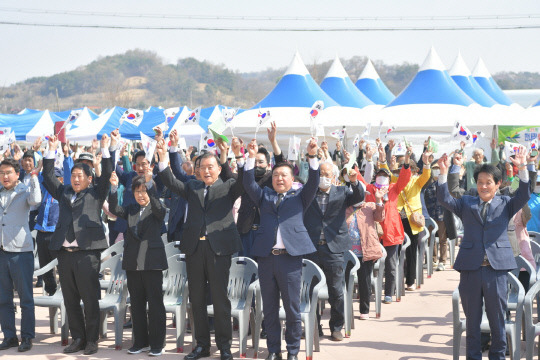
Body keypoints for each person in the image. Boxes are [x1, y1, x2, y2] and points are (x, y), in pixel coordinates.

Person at [436, 147, 530, 360]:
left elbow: (524, 193)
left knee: (498, 322)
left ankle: (497, 357)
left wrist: (522, 167)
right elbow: (445, 200)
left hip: (496, 271)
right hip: (470, 269)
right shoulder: (467, 203)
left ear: (497, 185)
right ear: (475, 184)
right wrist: (444, 172)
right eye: (480, 182)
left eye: (489, 182)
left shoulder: (506, 203)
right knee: (472, 323)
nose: (483, 186)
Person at [156, 138, 244, 360]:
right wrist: (164, 155)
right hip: (195, 249)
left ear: (218, 169)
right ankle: (201, 346)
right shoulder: (192, 187)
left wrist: (240, 157)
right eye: (202, 167)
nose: (206, 171)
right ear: (197, 170)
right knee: (196, 299)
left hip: (218, 250)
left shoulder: (228, 187)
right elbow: (170, 180)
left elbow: (244, 181)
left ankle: (224, 347)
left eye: (210, 167)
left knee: (220, 298)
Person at [242, 138, 320, 360]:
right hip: (267, 259)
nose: (279, 179)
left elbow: (314, 182)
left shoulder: (300, 198)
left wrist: (312, 156)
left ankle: (292, 351)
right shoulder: (264, 197)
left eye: (284, 175)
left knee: (292, 310)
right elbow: (248, 184)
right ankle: (274, 350)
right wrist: (249, 156)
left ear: (292, 179)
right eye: (275, 175)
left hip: (290, 261)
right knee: (269, 310)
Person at [41, 133, 113, 355]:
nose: (75, 179)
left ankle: (92, 340)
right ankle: (78, 338)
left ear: (89, 179)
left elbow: (108, 174)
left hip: (86, 253)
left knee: (90, 298)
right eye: (73, 175)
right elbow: (48, 176)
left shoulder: (95, 193)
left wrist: (106, 149)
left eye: (80, 175)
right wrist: (51, 151)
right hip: (65, 253)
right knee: (70, 298)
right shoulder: (63, 192)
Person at [109, 170, 167, 356]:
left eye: (144, 191)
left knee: (155, 304)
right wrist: (113, 187)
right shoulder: (131, 209)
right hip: (133, 263)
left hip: (152, 263)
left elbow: (159, 208)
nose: (141, 195)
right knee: (137, 304)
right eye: (137, 191)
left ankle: (157, 344)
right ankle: (140, 342)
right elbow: (114, 208)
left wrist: (150, 185)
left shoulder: (158, 209)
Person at [303, 162, 364, 341]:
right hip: (312, 248)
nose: (324, 177)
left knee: (336, 290)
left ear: (334, 177)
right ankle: (314, 327)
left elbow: (359, 196)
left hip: (334, 248)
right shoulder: (309, 193)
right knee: (310, 290)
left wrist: (354, 182)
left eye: (327, 174)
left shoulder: (342, 192)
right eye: (320, 173)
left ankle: (336, 327)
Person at [357, 143, 412, 304]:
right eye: (379, 175)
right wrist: (367, 158)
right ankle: (365, 291)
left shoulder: (394, 188)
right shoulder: (370, 190)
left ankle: (388, 292)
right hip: (372, 233)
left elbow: (404, 177)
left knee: (391, 264)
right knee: (368, 264)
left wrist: (407, 161)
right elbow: (358, 179)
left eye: (385, 175)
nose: (382, 178)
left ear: (389, 178)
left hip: (392, 232)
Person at [0, 157, 41, 352]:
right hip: (1, 252)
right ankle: (9, 336)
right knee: (3, 298)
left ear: (17, 174)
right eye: (2, 173)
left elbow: (37, 200)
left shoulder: (24, 191)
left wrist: (33, 177)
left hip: (20, 251)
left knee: (25, 298)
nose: (5, 176)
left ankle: (27, 337)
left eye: (8, 172)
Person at [345, 186, 386, 320]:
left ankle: (364, 309)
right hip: (347, 253)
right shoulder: (345, 208)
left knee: (364, 281)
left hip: (365, 250)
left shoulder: (370, 206)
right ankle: (345, 308)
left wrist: (379, 200)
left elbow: (380, 217)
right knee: (345, 281)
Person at [34, 167, 64, 296]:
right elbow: (41, 176)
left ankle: (65, 294)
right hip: (41, 233)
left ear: (61, 180)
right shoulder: (45, 190)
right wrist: (41, 163)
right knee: (45, 267)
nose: (51, 181)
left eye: (55, 178)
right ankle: (51, 292)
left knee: (61, 267)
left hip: (56, 234)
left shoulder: (63, 193)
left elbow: (68, 171)